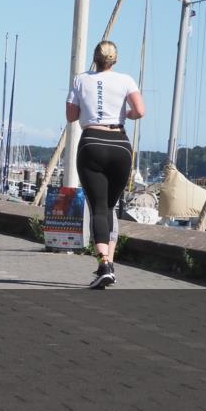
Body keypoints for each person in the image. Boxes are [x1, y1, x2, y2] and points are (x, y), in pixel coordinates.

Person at [65, 40, 145, 289]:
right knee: (110, 208)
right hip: (120, 144)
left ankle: (105, 263)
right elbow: (140, 111)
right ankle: (109, 263)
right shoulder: (126, 80)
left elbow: (71, 116)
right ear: (115, 60)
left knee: (98, 208)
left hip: (92, 143)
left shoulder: (80, 80)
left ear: (94, 58)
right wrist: (125, 114)